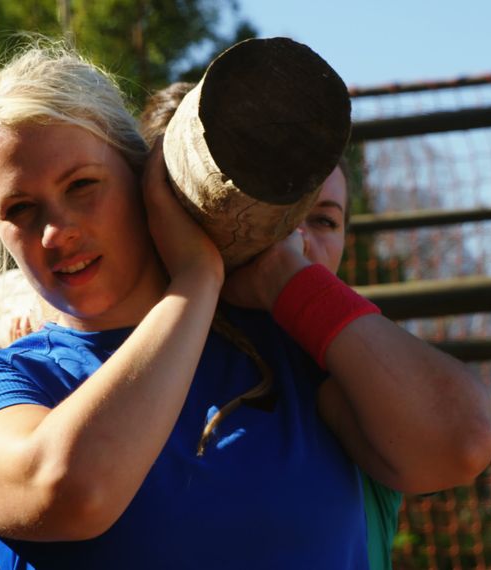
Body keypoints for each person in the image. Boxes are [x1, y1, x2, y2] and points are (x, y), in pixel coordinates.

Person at [0, 43, 491, 569]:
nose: (56, 232)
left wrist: (289, 278)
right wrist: (197, 278)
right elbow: (70, 489)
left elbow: (460, 444)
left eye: (82, 186)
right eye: (21, 210)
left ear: (140, 177)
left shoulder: (284, 344)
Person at [141, 82, 402, 570]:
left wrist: (289, 279)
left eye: (324, 220)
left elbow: (465, 438)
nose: (297, 240)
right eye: (275, 217)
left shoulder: (352, 366)